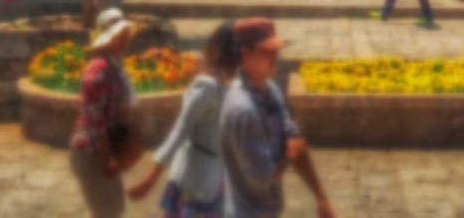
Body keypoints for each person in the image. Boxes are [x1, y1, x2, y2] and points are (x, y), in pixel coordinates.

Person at [220, 17, 334, 218]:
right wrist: (290, 154)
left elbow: (292, 136)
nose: (276, 58)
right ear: (246, 54)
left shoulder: (269, 89)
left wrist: (321, 197)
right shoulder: (242, 109)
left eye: (276, 51)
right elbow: (262, 177)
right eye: (267, 52)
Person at [127, 21, 239, 218]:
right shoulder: (208, 87)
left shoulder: (230, 84)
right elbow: (181, 130)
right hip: (196, 179)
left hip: (215, 177)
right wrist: (150, 179)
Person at [70, 8, 140, 218]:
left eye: (126, 34)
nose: (126, 40)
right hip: (94, 153)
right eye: (120, 35)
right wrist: (107, 157)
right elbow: (95, 121)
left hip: (103, 151)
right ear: (108, 39)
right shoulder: (98, 70)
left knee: (111, 210)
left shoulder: (113, 64)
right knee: (108, 212)